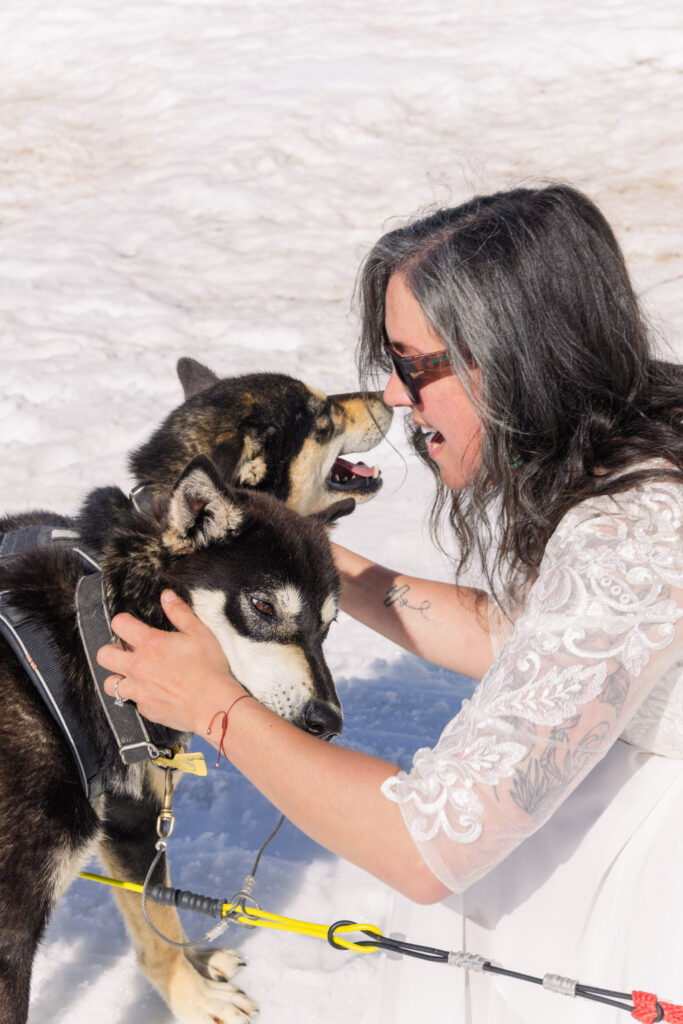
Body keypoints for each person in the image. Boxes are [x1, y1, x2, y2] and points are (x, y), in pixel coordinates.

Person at [98, 183, 683, 1023]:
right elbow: (541, 642)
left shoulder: (632, 535)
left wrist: (215, 706)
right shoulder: (641, 446)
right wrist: (292, 552)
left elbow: (429, 843)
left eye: (414, 364)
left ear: (511, 354)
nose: (395, 396)